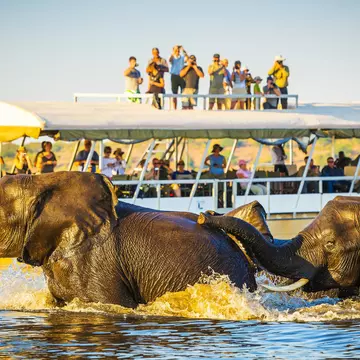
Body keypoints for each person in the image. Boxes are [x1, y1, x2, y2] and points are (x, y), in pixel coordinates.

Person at [169, 45, 188, 109]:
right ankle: (175, 108)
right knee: (174, 93)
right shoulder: (172, 57)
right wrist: (174, 52)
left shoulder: (182, 57)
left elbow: (187, 59)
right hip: (174, 76)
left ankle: (184, 106)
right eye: (176, 50)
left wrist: (183, 49)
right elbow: (170, 60)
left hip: (181, 76)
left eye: (178, 50)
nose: (177, 51)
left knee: (184, 92)